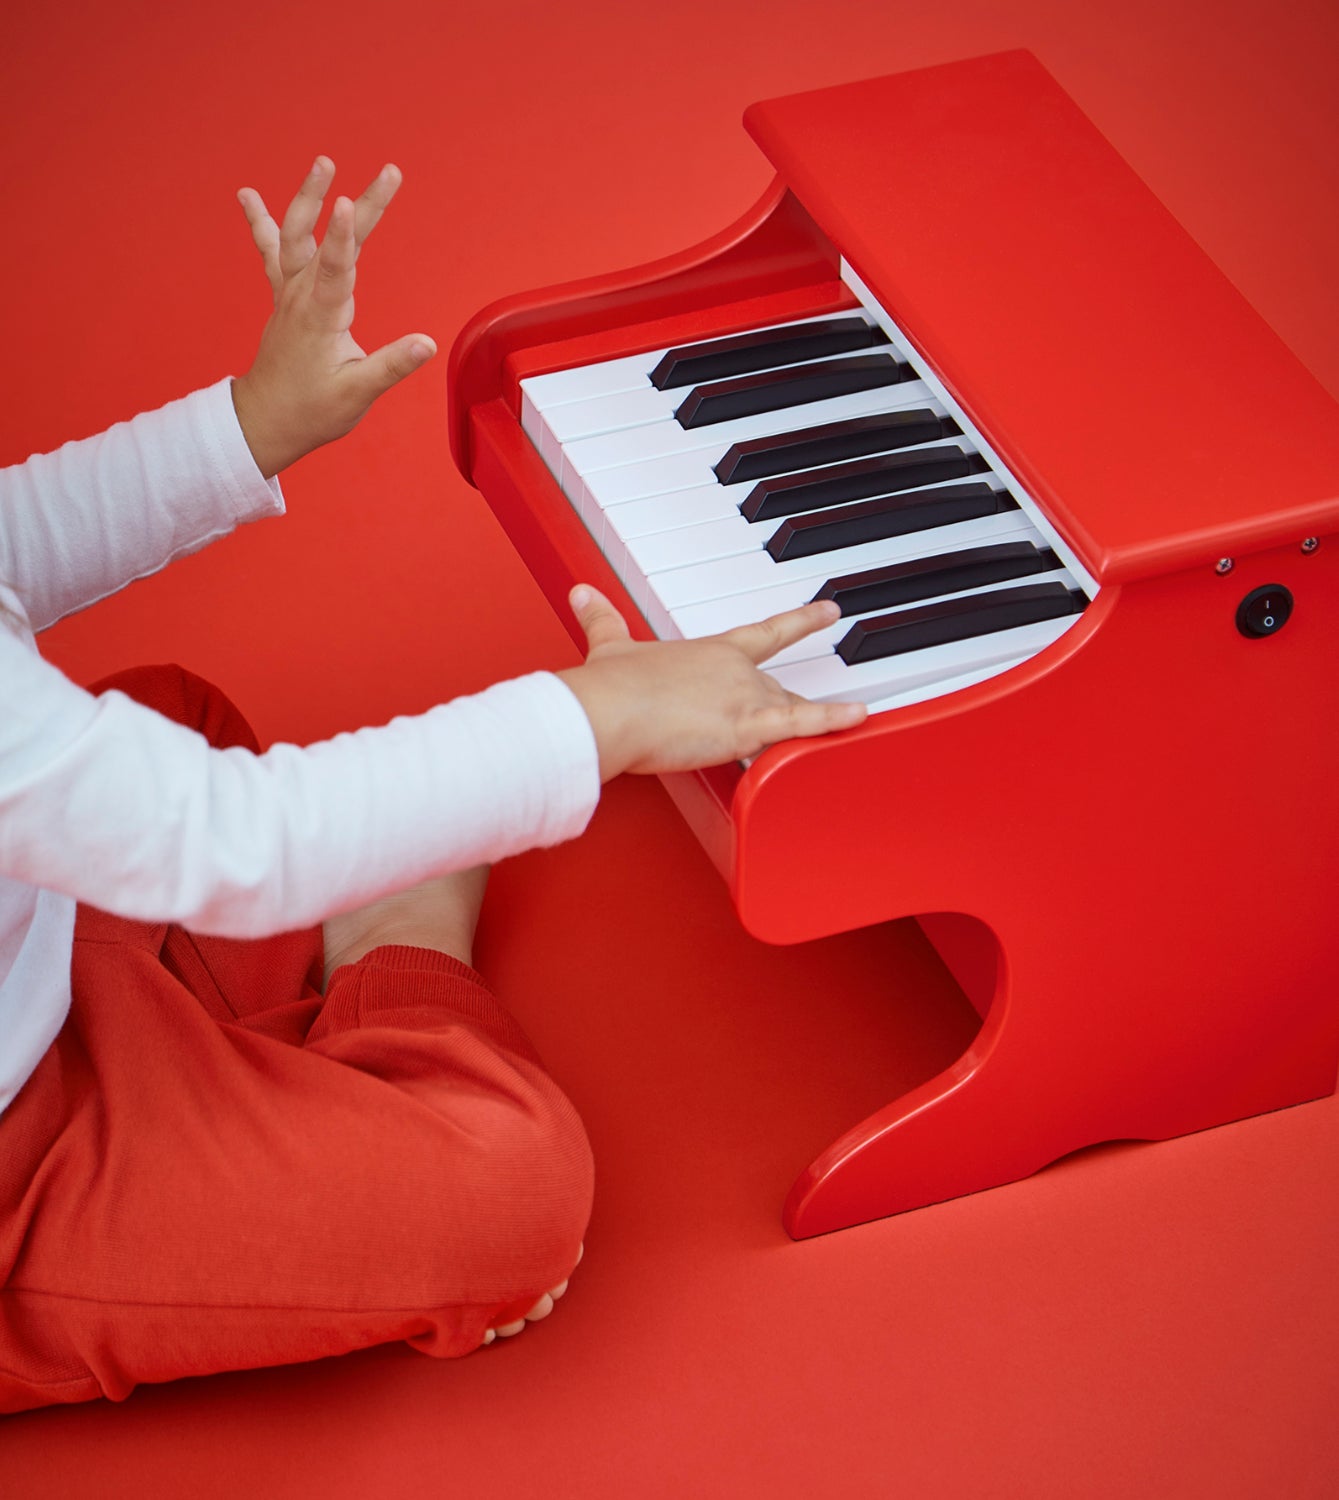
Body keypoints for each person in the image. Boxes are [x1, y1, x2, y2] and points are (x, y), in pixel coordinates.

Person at [0, 158, 865, 1413]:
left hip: (43, 937)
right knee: (504, 1192)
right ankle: (393, 960)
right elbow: (227, 839)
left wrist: (251, 421)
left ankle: (242, 1021)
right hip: (24, 1179)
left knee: (159, 712)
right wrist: (593, 719)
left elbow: (14, 541)